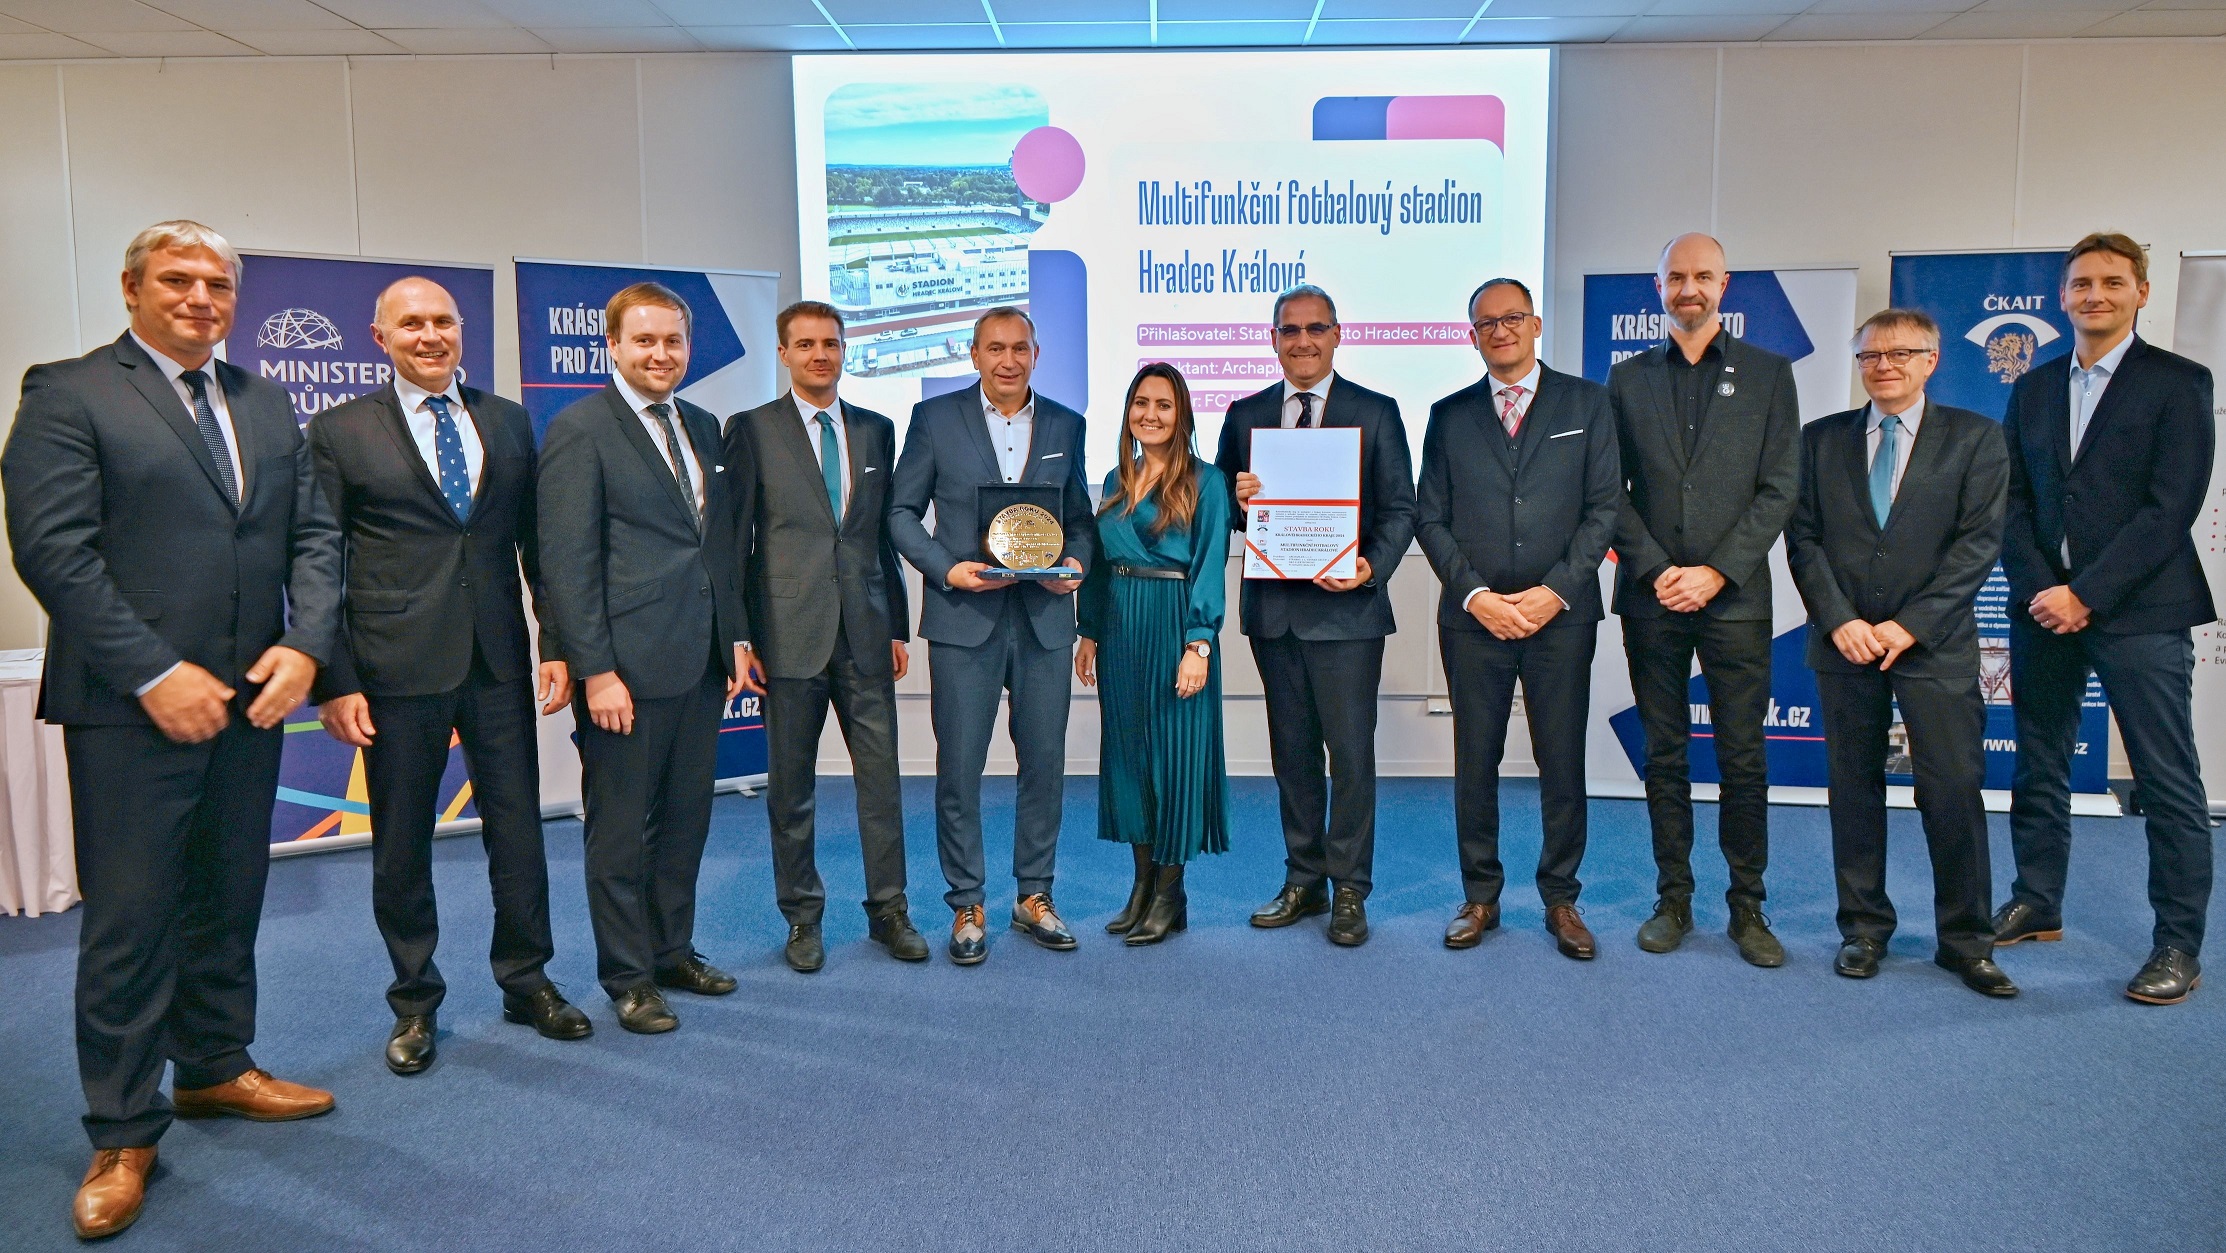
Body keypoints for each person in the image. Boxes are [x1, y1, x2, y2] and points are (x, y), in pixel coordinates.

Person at [3, 220, 342, 1239]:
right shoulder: (67, 391)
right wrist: (153, 669)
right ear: (131, 287)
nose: (200, 296)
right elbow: (53, 549)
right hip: (129, 707)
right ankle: (121, 1128)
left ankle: (214, 1066)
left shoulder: (267, 400)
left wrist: (306, 646)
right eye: (178, 279)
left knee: (227, 893)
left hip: (253, 699)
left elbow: (314, 533)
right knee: (130, 919)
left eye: (217, 283)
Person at [308, 276, 589, 1074]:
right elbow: (319, 560)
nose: (430, 335)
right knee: (402, 844)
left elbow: (537, 545)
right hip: (394, 668)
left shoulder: (503, 419)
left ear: (462, 330)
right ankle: (414, 1001)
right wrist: (334, 677)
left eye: (443, 321)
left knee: (518, 829)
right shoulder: (338, 431)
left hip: (497, 659)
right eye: (412, 324)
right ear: (380, 336)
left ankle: (525, 977)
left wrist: (556, 643)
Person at [1994, 232, 2218, 1005]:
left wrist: (2085, 592)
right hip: (2041, 608)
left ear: (2141, 293)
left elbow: (2170, 510)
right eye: (2081, 284)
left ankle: (2177, 943)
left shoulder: (2180, 382)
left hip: (2139, 610)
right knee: (2039, 762)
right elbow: (2012, 501)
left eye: (2112, 283)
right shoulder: (2033, 387)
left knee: (2168, 780)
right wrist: (2037, 588)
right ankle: (2037, 900)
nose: (2095, 295)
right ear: (2062, 297)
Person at [538, 282, 750, 1033]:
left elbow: (713, 545)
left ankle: (672, 950)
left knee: (686, 820)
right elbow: (567, 563)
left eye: (674, 342)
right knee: (620, 830)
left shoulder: (700, 422)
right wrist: (595, 669)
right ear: (614, 346)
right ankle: (627, 976)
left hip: (698, 663)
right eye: (646, 341)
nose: (661, 354)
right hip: (623, 671)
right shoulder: (580, 429)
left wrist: (735, 640)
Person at [1786, 309, 2016, 997]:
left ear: (1932, 360)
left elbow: (1978, 545)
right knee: (1853, 789)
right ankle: (1862, 929)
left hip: (1934, 644)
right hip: (1845, 642)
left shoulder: (1976, 439)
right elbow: (1803, 540)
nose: (1884, 365)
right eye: (1869, 355)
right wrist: (1840, 620)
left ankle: (1966, 941)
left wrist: (1907, 626)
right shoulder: (1820, 440)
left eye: (1900, 353)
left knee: (1951, 788)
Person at [1610, 233, 1801, 967]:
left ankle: (1748, 905)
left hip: (1736, 599)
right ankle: (1674, 897)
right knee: (1665, 754)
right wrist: (1659, 567)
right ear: (1658, 288)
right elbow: (1611, 491)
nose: (1689, 289)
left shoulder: (1769, 375)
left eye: (1702, 276)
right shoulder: (1626, 380)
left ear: (1725, 284)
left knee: (1743, 755)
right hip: (1653, 596)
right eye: (1675, 277)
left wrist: (1717, 571)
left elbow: (1780, 486)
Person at [1415, 278, 1619, 960]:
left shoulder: (1587, 403)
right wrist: (1477, 596)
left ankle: (1562, 898)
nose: (1499, 330)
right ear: (1472, 334)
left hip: (1560, 616)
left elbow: (1603, 511)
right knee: (1477, 758)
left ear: (1535, 325)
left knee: (1560, 757)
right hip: (1474, 619)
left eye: (1511, 318)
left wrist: (1551, 592)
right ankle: (1481, 894)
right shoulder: (1448, 415)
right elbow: (1430, 518)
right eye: (1485, 322)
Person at [888, 306, 1096, 964]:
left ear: (1037, 353)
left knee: (1045, 765)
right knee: (960, 769)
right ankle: (967, 900)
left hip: (1042, 622)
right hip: (962, 619)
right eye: (994, 348)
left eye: (1020, 348)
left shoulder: (1067, 423)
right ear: (973, 353)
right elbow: (899, 513)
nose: (1008, 360)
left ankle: (1034, 893)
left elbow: (1081, 522)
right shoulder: (935, 419)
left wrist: (1077, 566)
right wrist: (946, 569)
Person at [726, 301, 926, 973]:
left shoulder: (876, 429)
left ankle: (888, 910)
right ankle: (802, 917)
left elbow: (879, 535)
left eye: (831, 343)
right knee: (792, 787)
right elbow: (735, 544)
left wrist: (896, 621)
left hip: (866, 633)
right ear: (783, 353)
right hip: (786, 637)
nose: (820, 354)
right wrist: (741, 636)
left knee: (881, 782)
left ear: (845, 350)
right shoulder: (750, 430)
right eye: (806, 344)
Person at [1217, 284, 1416, 947]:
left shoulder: (1377, 412)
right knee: (1292, 756)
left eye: (1315, 329)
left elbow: (1399, 510)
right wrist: (1236, 496)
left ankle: (1350, 886)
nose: (1302, 340)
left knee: (1352, 756)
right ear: (1273, 339)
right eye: (1289, 329)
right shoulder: (1244, 416)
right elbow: (1219, 506)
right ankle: (1303, 877)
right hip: (1275, 614)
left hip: (1348, 613)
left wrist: (1371, 565)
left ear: (1337, 335)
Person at [1075, 363, 1232, 946]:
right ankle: (1141, 885)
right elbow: (1097, 563)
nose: (1151, 414)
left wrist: (1200, 642)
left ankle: (1171, 892)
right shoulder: (1117, 480)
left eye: (1164, 405)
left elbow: (1210, 564)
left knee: (1173, 759)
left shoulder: (1207, 482)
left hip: (1174, 628)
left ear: (1183, 414)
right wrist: (1088, 632)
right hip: (1120, 630)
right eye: (1141, 403)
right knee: (1129, 758)